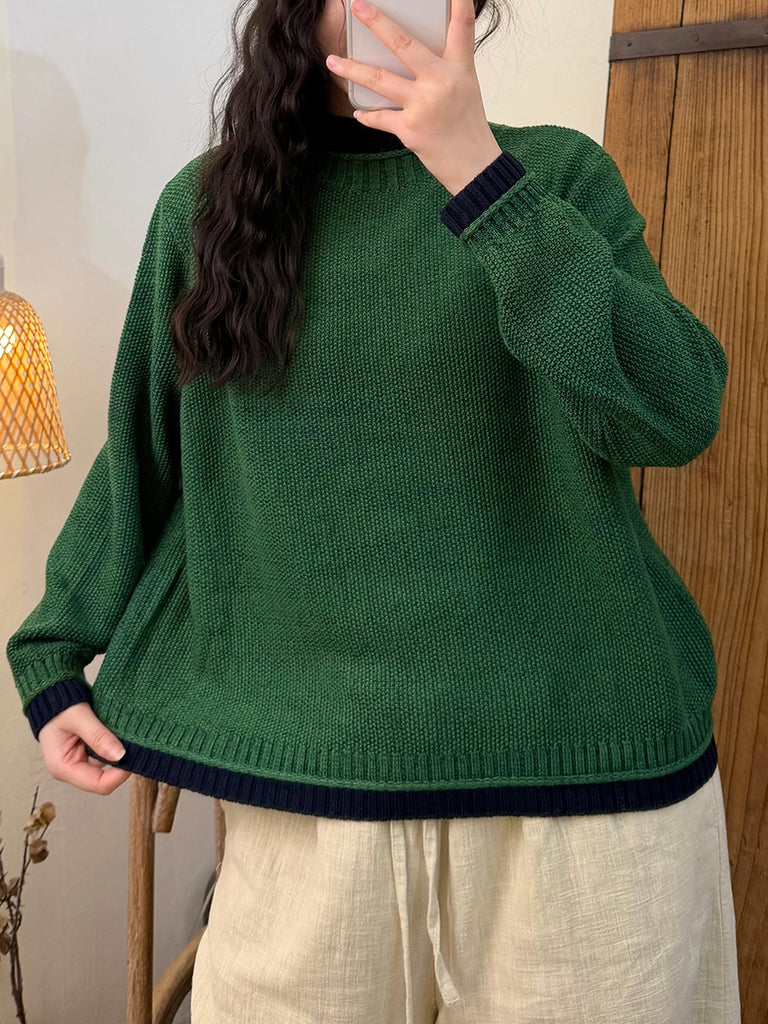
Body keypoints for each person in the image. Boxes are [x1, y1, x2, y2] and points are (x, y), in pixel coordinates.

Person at [5, 0, 741, 1021]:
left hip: (582, 780)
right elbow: (144, 453)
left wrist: (481, 179)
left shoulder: (559, 177)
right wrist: (51, 651)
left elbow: (673, 414)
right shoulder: (206, 211)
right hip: (313, 785)